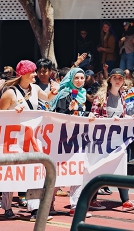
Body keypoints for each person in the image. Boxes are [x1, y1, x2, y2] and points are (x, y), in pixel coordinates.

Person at [0, 60, 59, 220]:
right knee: (12, 173)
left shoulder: (35, 88)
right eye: (33, 72)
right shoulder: (10, 92)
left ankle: (35, 209)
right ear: (24, 73)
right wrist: (13, 114)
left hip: (32, 138)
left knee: (35, 172)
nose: (36, 74)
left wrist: (53, 92)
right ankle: (7, 206)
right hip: (13, 140)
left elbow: (47, 98)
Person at [49, 67, 106, 217]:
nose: (80, 81)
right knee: (60, 174)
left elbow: (80, 113)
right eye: (77, 78)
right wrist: (72, 110)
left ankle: (75, 206)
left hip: (79, 139)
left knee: (77, 172)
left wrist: (87, 113)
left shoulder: (81, 94)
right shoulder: (64, 94)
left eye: (82, 78)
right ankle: (49, 204)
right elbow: (60, 115)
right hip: (63, 140)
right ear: (71, 78)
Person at [90, 68, 134, 211]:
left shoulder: (123, 96)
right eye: (115, 77)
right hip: (102, 139)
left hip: (119, 139)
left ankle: (125, 200)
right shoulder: (102, 96)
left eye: (120, 78)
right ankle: (92, 199)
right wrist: (109, 120)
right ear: (110, 80)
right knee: (99, 167)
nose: (117, 80)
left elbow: (123, 116)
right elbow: (93, 116)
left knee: (121, 166)